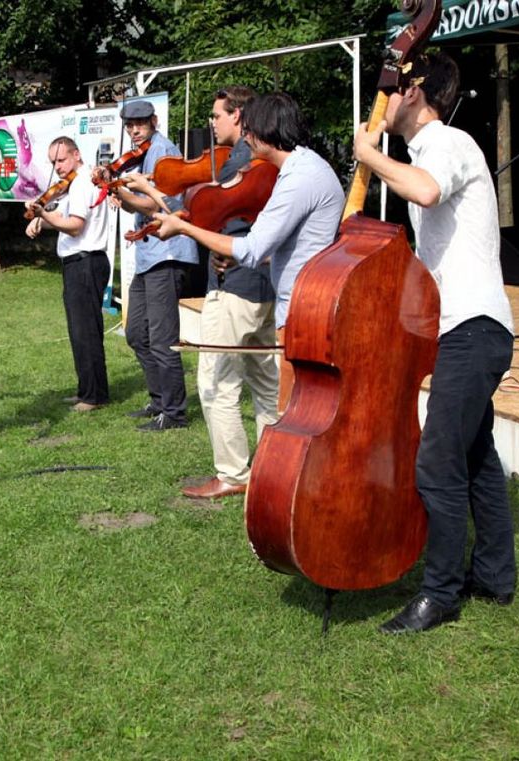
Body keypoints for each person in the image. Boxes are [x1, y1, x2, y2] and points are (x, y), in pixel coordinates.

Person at [352, 52, 516, 635]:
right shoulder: (430, 149)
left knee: (438, 461)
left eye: (391, 89)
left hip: (472, 329)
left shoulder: (448, 143)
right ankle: (495, 578)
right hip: (469, 327)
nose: (383, 102)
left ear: (416, 91)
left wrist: (370, 155)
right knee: (474, 459)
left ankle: (440, 593)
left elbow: (424, 192)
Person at [148, 91, 343, 409]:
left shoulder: (300, 176)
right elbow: (293, 246)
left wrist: (183, 227)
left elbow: (252, 248)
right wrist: (249, 254)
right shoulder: (299, 169)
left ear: (267, 130)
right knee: (279, 401)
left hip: (303, 309)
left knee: (289, 406)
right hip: (295, 303)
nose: (246, 138)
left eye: (250, 130)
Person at [134, 86, 279, 499]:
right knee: (265, 382)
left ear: (239, 116)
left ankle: (233, 474)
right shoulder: (270, 160)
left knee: (216, 383)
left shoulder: (242, 160)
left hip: (236, 286)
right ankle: (273, 468)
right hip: (267, 283)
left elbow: (210, 214)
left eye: (217, 116)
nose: (211, 123)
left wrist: (153, 194)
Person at [100, 100, 197, 431]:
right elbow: (137, 209)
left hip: (167, 252)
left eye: (139, 123)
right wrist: (120, 194)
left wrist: (122, 192)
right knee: (136, 331)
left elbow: (166, 205)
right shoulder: (143, 154)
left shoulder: (164, 152)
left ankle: (174, 413)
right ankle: (159, 401)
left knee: (161, 337)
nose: (134, 129)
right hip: (148, 254)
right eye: (129, 125)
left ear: (153, 121)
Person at [24, 137, 111, 412]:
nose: (58, 167)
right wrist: (41, 218)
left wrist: (43, 215)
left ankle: (94, 396)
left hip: (85, 262)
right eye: (53, 162)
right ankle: (87, 389)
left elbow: (74, 226)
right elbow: (62, 216)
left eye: (61, 160)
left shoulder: (84, 181)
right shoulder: (76, 184)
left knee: (86, 331)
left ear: (76, 155)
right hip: (81, 263)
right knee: (80, 331)